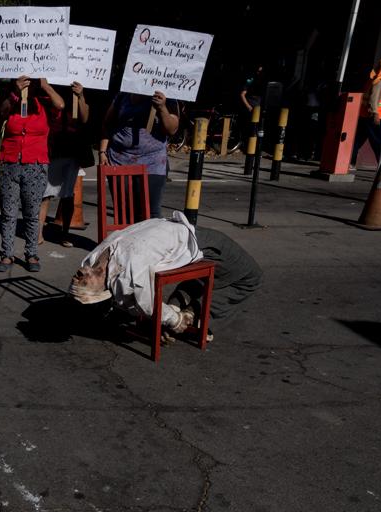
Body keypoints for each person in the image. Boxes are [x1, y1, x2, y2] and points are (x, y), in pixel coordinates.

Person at [69, 212, 262, 338]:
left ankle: (182, 306)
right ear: (101, 291)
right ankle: (195, 314)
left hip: (185, 234)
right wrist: (173, 320)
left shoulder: (93, 260)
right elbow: (146, 303)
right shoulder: (126, 275)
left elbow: (140, 302)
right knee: (252, 276)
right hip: (200, 242)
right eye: (83, 282)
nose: (79, 275)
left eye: (77, 278)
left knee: (221, 274)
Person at [0, 76, 64, 273]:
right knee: (8, 213)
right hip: (9, 164)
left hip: (35, 165)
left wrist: (45, 85)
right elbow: (1, 111)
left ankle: (31, 253)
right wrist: (16, 93)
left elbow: (61, 104)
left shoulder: (43, 103)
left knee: (32, 214)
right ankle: (7, 253)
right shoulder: (11, 100)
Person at [98, 90, 179, 218]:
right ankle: (126, 238)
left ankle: (149, 239)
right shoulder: (123, 95)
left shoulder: (168, 97)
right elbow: (108, 123)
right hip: (120, 159)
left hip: (152, 162)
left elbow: (172, 129)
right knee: (124, 212)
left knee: (151, 213)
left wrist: (162, 107)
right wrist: (102, 151)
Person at [38, 81, 91, 248]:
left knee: (67, 195)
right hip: (53, 148)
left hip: (72, 149)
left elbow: (85, 117)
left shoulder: (78, 89)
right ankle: (38, 233)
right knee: (45, 194)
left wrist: (80, 95)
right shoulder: (52, 87)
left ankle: (65, 233)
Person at [351, 56, 381, 168]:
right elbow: (373, 99)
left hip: (365, 114)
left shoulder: (376, 79)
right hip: (373, 116)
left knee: (358, 140)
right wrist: (375, 113)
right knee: (378, 140)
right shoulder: (378, 81)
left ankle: (350, 161)